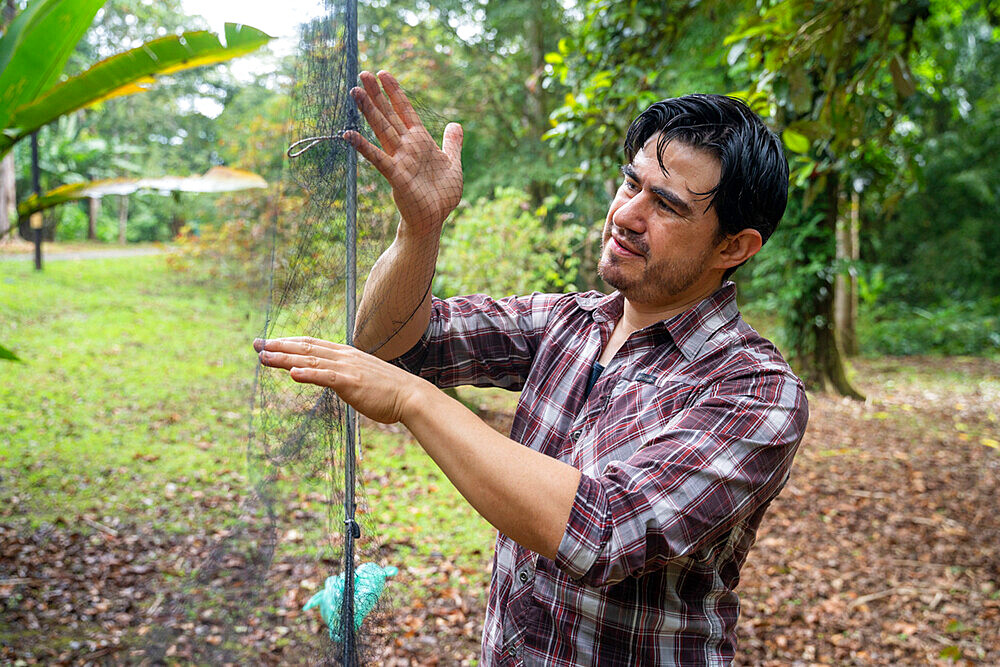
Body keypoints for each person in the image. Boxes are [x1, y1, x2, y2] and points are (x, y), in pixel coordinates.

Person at [256, 70, 808, 665]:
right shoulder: (567, 322)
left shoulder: (756, 391)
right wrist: (420, 229)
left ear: (734, 247)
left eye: (667, 205)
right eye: (631, 184)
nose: (626, 214)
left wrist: (414, 399)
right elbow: (391, 343)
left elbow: (605, 531)